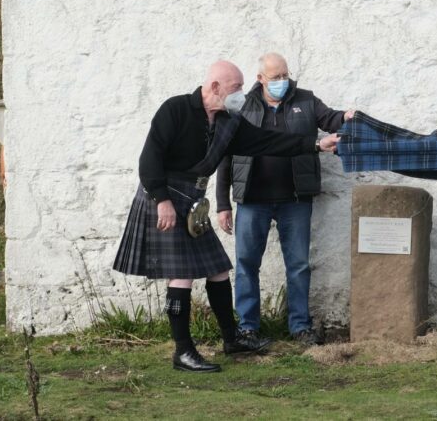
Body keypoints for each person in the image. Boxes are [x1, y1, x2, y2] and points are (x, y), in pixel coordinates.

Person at [112, 60, 340, 372]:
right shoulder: (175, 109)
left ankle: (232, 339)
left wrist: (315, 144)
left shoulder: (226, 121)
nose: (240, 94)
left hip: (191, 201)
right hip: (164, 197)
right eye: (235, 88)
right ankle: (183, 351)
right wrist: (161, 200)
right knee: (182, 275)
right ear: (216, 87)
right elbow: (150, 156)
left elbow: (266, 141)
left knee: (218, 269)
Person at [216, 53, 354, 345]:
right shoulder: (242, 105)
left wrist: (346, 117)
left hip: (295, 198)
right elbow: (225, 155)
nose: (282, 81)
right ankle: (248, 326)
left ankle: (300, 326)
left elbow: (330, 118)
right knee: (246, 263)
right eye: (275, 77)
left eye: (285, 75)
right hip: (252, 199)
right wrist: (223, 204)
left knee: (299, 264)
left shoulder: (305, 100)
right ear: (260, 79)